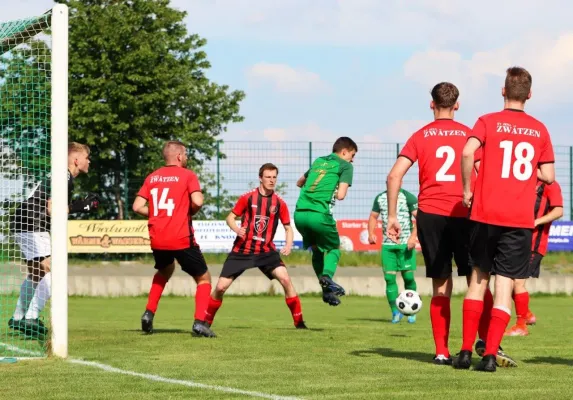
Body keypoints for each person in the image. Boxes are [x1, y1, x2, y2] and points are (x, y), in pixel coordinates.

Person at [455, 66, 555, 372]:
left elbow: (468, 152)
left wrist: (468, 189)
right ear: (530, 95)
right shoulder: (540, 129)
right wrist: (527, 173)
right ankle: (488, 357)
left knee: (477, 282)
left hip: (485, 214)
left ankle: (463, 353)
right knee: (504, 287)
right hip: (519, 220)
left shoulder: (487, 121)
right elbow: (548, 176)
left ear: (503, 91)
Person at [386, 82, 490, 365]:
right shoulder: (470, 135)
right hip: (466, 212)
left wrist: (393, 216)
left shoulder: (419, 136)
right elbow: (483, 170)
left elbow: (394, 176)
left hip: (431, 215)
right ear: (457, 105)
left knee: (441, 285)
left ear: (431, 104)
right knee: (476, 280)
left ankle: (442, 352)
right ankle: (486, 342)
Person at [9, 142, 99, 339]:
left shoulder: (60, 175)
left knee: (37, 272)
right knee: (53, 269)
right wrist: (82, 206)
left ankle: (17, 317)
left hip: (22, 220)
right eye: (86, 157)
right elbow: (52, 209)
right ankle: (31, 318)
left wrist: (77, 206)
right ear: (76, 160)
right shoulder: (64, 176)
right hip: (33, 223)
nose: (89, 161)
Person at [204, 163, 307, 330]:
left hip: (266, 251)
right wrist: (237, 229)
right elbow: (230, 218)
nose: (271, 180)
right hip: (242, 250)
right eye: (268, 177)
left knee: (286, 280)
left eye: (274, 177)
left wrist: (288, 245)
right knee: (221, 287)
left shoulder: (279, 203)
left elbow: (288, 228)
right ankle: (205, 322)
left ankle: (299, 323)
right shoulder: (248, 198)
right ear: (260, 178)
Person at [133, 141, 215, 338]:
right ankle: (199, 323)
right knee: (204, 278)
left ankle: (148, 313)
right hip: (180, 236)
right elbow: (198, 201)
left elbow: (136, 206)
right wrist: (188, 212)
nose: (186, 158)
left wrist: (157, 214)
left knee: (165, 269)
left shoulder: (152, 177)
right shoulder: (188, 175)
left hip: (158, 237)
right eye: (185, 154)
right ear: (179, 156)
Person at [293, 137, 357, 307]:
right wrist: (333, 190)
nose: (353, 159)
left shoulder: (319, 161)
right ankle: (327, 277)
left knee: (316, 250)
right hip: (319, 215)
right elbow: (341, 195)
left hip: (299, 214)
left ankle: (326, 291)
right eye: (352, 155)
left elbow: (300, 182)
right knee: (334, 247)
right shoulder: (345, 166)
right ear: (344, 152)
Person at [505, 180, 563, 336]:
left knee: (517, 282)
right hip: (515, 242)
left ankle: (521, 325)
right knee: (505, 282)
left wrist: (536, 221)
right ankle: (527, 315)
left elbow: (558, 211)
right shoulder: (522, 181)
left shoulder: (550, 185)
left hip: (534, 245)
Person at [368, 186, 418, 324]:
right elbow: (373, 216)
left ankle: (412, 312)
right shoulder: (380, 197)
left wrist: (413, 237)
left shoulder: (408, 197)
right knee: (389, 279)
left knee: (408, 277)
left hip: (405, 245)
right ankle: (395, 312)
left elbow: (420, 217)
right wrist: (371, 233)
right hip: (387, 246)